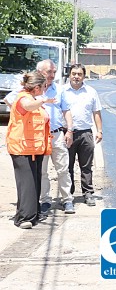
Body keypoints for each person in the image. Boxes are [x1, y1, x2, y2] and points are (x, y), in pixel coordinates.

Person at [6, 71, 54, 229]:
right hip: (22, 149)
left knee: (34, 182)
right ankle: (24, 218)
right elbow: (27, 106)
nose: (45, 90)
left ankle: (32, 214)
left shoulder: (33, 99)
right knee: (27, 183)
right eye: (44, 87)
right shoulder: (24, 98)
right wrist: (43, 100)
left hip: (34, 149)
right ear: (38, 87)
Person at [37, 60, 76, 215]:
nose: (52, 75)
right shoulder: (33, 90)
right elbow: (12, 100)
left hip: (58, 135)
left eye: (54, 72)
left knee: (63, 169)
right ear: (40, 72)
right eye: (49, 72)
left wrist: (70, 131)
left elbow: (66, 111)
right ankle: (45, 201)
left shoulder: (59, 90)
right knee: (42, 172)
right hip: (39, 137)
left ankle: (67, 200)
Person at [63, 64, 103, 207]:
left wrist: (99, 130)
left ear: (84, 76)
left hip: (86, 133)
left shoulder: (91, 92)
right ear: (69, 75)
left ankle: (88, 193)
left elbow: (96, 112)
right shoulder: (62, 91)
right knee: (67, 166)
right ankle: (68, 195)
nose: (76, 77)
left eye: (79, 74)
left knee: (86, 166)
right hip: (67, 133)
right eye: (74, 73)